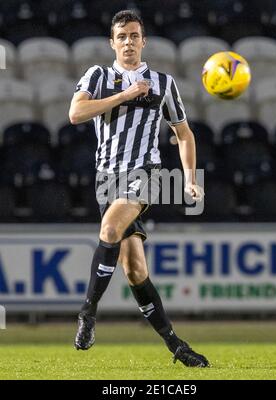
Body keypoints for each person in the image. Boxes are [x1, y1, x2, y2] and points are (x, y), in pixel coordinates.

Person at [69, 9, 209, 368]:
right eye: (122, 37)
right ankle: (176, 345)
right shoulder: (97, 76)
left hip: (146, 173)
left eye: (134, 36)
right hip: (106, 178)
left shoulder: (163, 83)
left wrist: (190, 178)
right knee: (134, 270)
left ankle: (87, 313)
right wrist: (125, 95)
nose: (128, 42)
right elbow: (76, 113)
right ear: (112, 43)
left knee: (110, 228)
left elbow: (183, 133)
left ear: (143, 41)